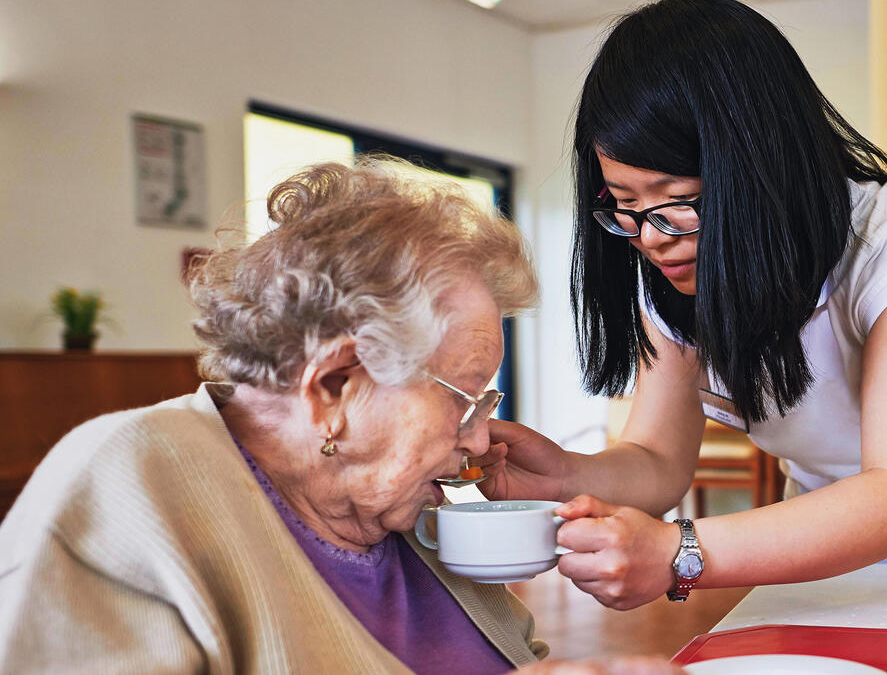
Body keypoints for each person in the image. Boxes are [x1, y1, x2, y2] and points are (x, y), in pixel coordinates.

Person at [474, 0, 887, 610]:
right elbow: (658, 460)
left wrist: (678, 553)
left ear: (758, 164)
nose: (648, 238)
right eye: (626, 206)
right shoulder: (673, 254)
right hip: (823, 533)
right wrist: (565, 473)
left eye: (674, 201)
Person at [0, 159, 575, 672]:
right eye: (464, 398)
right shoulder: (128, 483)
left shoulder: (404, 513)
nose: (479, 442)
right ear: (333, 385)